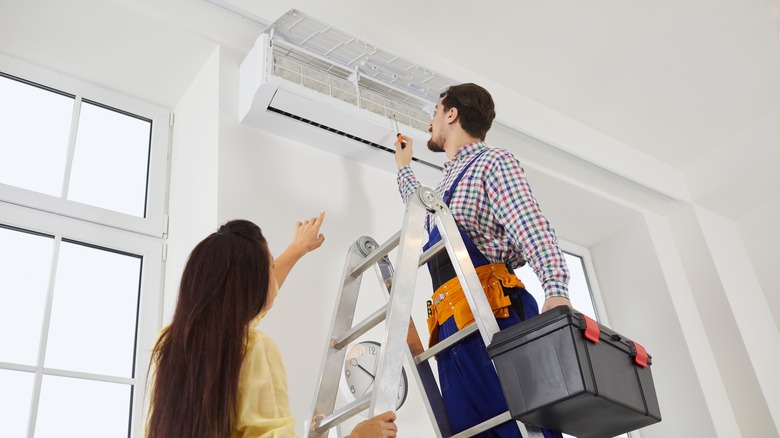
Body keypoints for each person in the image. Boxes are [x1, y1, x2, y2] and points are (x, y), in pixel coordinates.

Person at [393, 83, 570, 437]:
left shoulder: (492, 162)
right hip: (450, 327)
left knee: (515, 425)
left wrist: (556, 288)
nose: (431, 122)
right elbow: (422, 209)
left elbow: (529, 223)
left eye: (435, 113)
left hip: (492, 315)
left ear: (451, 114)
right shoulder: (445, 188)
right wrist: (403, 166)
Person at [145, 212, 398, 438]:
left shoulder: (168, 344)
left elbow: (237, 309)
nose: (274, 268)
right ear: (251, 285)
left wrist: (297, 248)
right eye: (270, 263)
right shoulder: (254, 350)